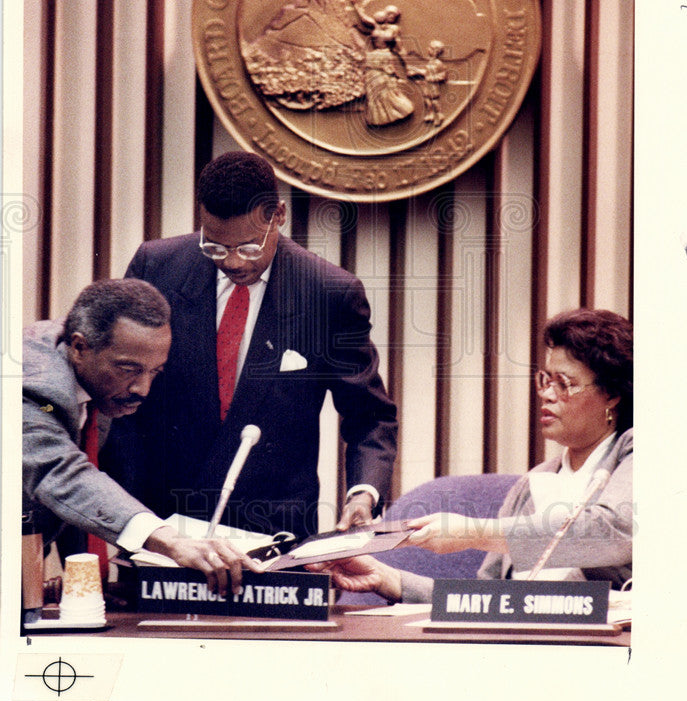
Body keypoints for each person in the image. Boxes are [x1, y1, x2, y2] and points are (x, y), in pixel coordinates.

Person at [101, 151, 398, 539]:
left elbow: (371, 416)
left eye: (249, 247)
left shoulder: (328, 294)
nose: (233, 262)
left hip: (270, 534)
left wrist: (363, 494)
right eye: (215, 247)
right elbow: (118, 399)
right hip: (160, 526)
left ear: (278, 215)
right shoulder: (157, 267)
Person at [311, 308, 633, 603]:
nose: (547, 394)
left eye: (564, 383)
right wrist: (388, 577)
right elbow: (486, 600)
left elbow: (612, 530)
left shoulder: (637, 452)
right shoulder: (533, 483)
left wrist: (474, 533)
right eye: (546, 380)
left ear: (612, 394)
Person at [23, 279, 261, 594]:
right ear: (80, 348)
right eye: (129, 370)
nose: (142, 390)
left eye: (154, 372)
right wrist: (171, 541)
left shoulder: (89, 370)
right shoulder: (33, 384)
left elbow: (71, 500)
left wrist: (88, 588)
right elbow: (61, 473)